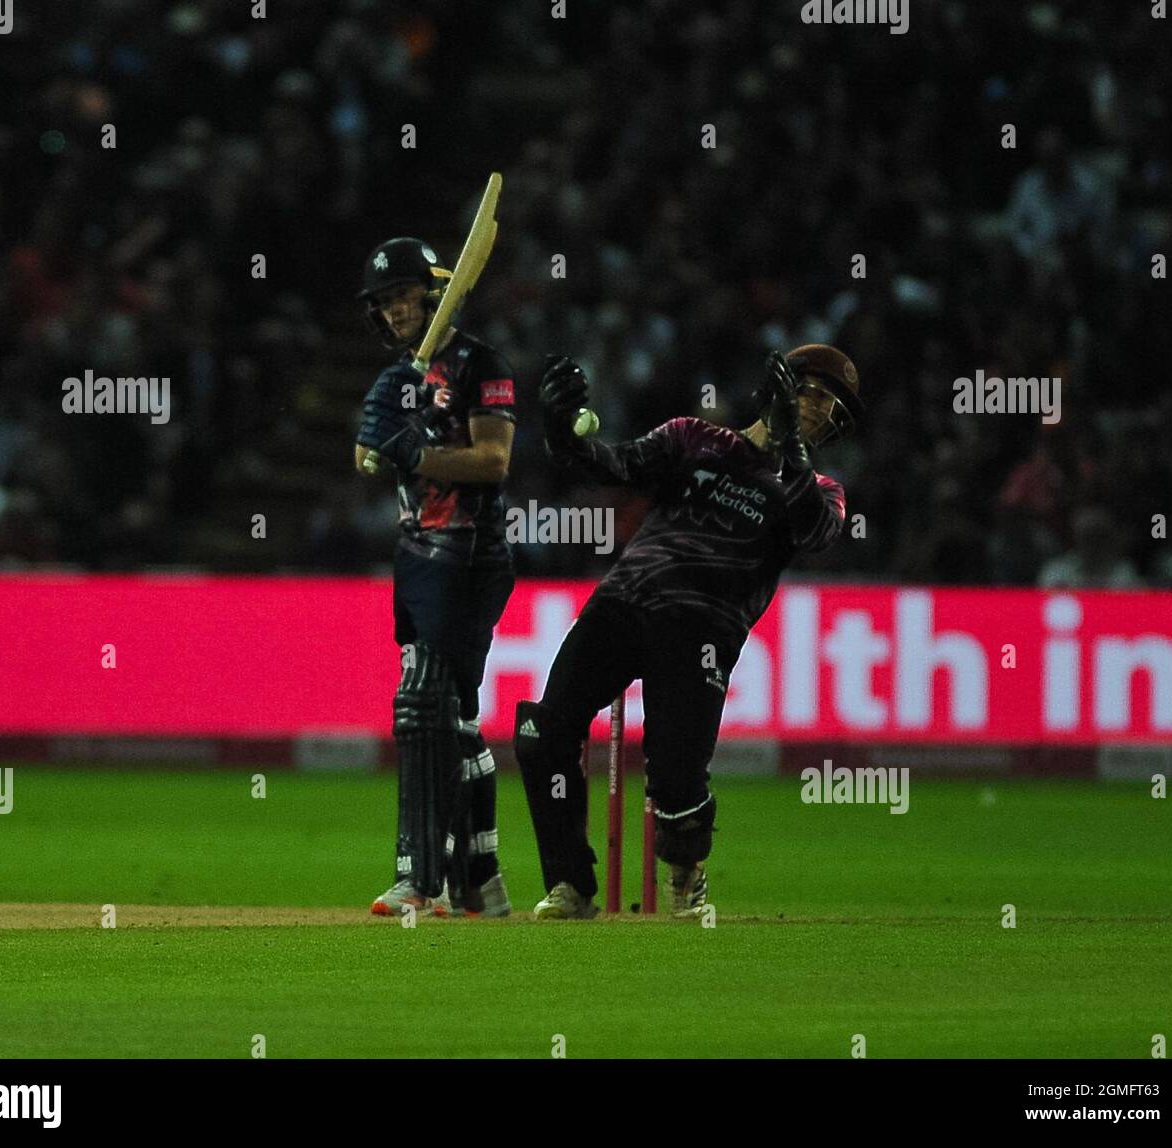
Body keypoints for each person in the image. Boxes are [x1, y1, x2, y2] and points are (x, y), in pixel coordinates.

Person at [514, 345, 862, 918]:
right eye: (816, 394)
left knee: (675, 780)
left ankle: (686, 875)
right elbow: (613, 466)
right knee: (545, 731)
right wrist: (561, 434)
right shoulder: (694, 436)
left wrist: (792, 449)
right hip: (624, 601)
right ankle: (571, 885)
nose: (823, 412)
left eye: (835, 410)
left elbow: (814, 531)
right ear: (781, 387)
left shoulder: (822, 489)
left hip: (704, 626)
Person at [354, 236, 517, 917]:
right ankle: (479, 879)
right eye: (384, 304)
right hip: (417, 553)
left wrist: (417, 450)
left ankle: (419, 879)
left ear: (434, 291)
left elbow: (494, 461)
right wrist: (379, 436)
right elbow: (369, 455)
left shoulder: (483, 363)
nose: (395, 312)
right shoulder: (402, 374)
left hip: (468, 553)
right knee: (454, 720)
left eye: (403, 298)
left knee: (421, 702)